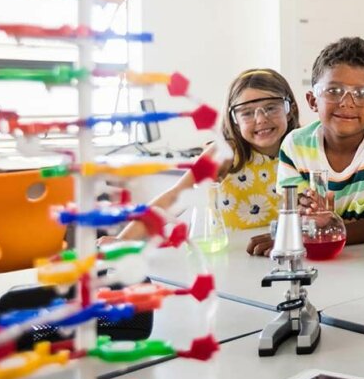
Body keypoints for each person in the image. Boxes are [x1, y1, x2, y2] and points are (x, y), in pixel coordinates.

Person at [102, 68, 300, 256]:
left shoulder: (303, 150)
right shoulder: (222, 154)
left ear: (289, 109)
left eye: (271, 108)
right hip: (232, 258)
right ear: (234, 119)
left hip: (286, 253)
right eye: (247, 112)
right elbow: (174, 198)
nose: (261, 119)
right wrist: (123, 240)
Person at [276, 37, 364, 246]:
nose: (347, 103)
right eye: (334, 91)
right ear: (312, 101)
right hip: (319, 260)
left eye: (362, 94)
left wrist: (329, 228)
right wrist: (311, 219)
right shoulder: (295, 147)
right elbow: (296, 219)